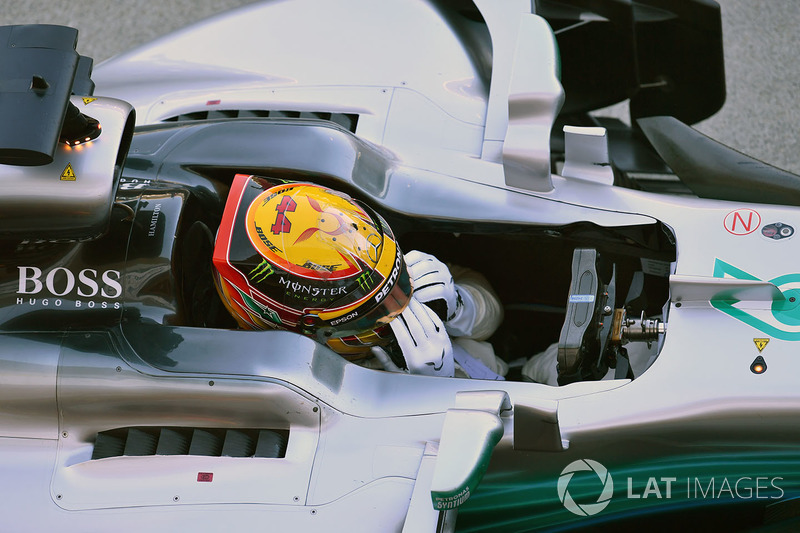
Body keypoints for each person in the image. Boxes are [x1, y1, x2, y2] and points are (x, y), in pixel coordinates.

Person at [211, 174, 505, 379]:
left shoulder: (375, 265)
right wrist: (430, 392)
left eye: (398, 275)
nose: (402, 301)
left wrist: (462, 305)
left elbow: (495, 318)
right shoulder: (286, 388)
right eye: (377, 309)